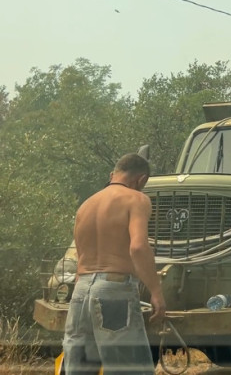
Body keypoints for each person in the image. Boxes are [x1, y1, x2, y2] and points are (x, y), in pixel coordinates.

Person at [62, 153, 166, 375]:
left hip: (80, 292)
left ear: (113, 174)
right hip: (114, 289)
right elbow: (138, 247)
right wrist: (156, 292)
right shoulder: (136, 199)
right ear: (141, 179)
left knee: (79, 367)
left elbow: (80, 257)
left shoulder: (86, 205)